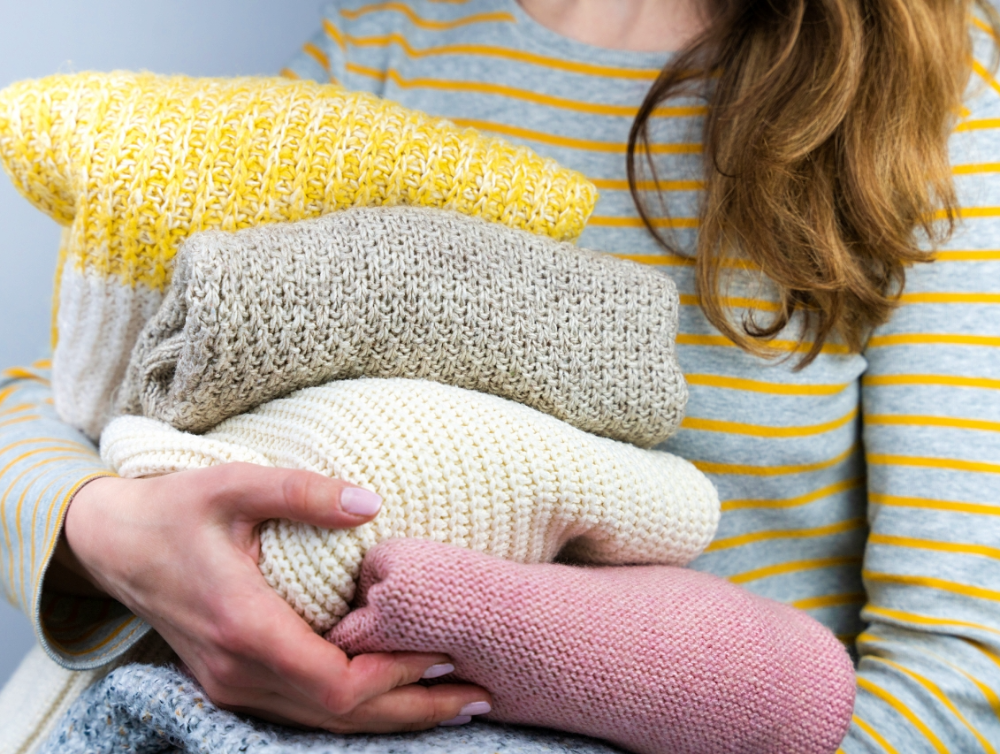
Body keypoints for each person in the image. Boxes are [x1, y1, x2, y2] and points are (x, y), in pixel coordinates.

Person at [2, 0, 999, 749]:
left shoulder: (937, 107)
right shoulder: (396, 45)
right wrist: (119, 537)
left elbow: (952, 674)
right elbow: (67, 405)